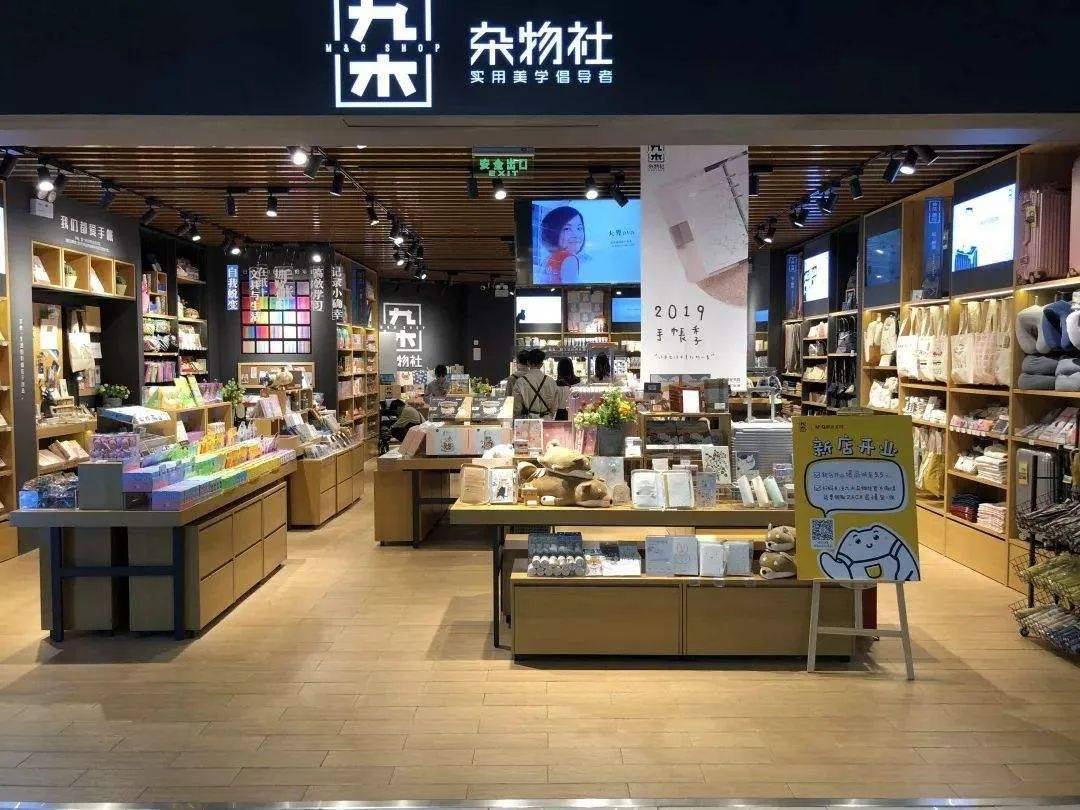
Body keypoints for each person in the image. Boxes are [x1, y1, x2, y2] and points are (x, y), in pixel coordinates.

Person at [539, 205, 585, 284]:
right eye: (567, 229)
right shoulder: (570, 259)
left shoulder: (549, 258)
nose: (576, 235)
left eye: (579, 228)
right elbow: (571, 290)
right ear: (553, 233)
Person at [513, 348, 558, 418]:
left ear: (528, 363)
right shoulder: (551, 381)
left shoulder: (520, 381)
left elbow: (517, 407)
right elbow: (554, 406)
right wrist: (549, 416)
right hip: (547, 419)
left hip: (530, 419)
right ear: (541, 364)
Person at [554, 357, 580, 421]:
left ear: (559, 369)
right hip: (574, 413)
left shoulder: (555, 384)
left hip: (558, 415)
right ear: (571, 368)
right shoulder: (579, 383)